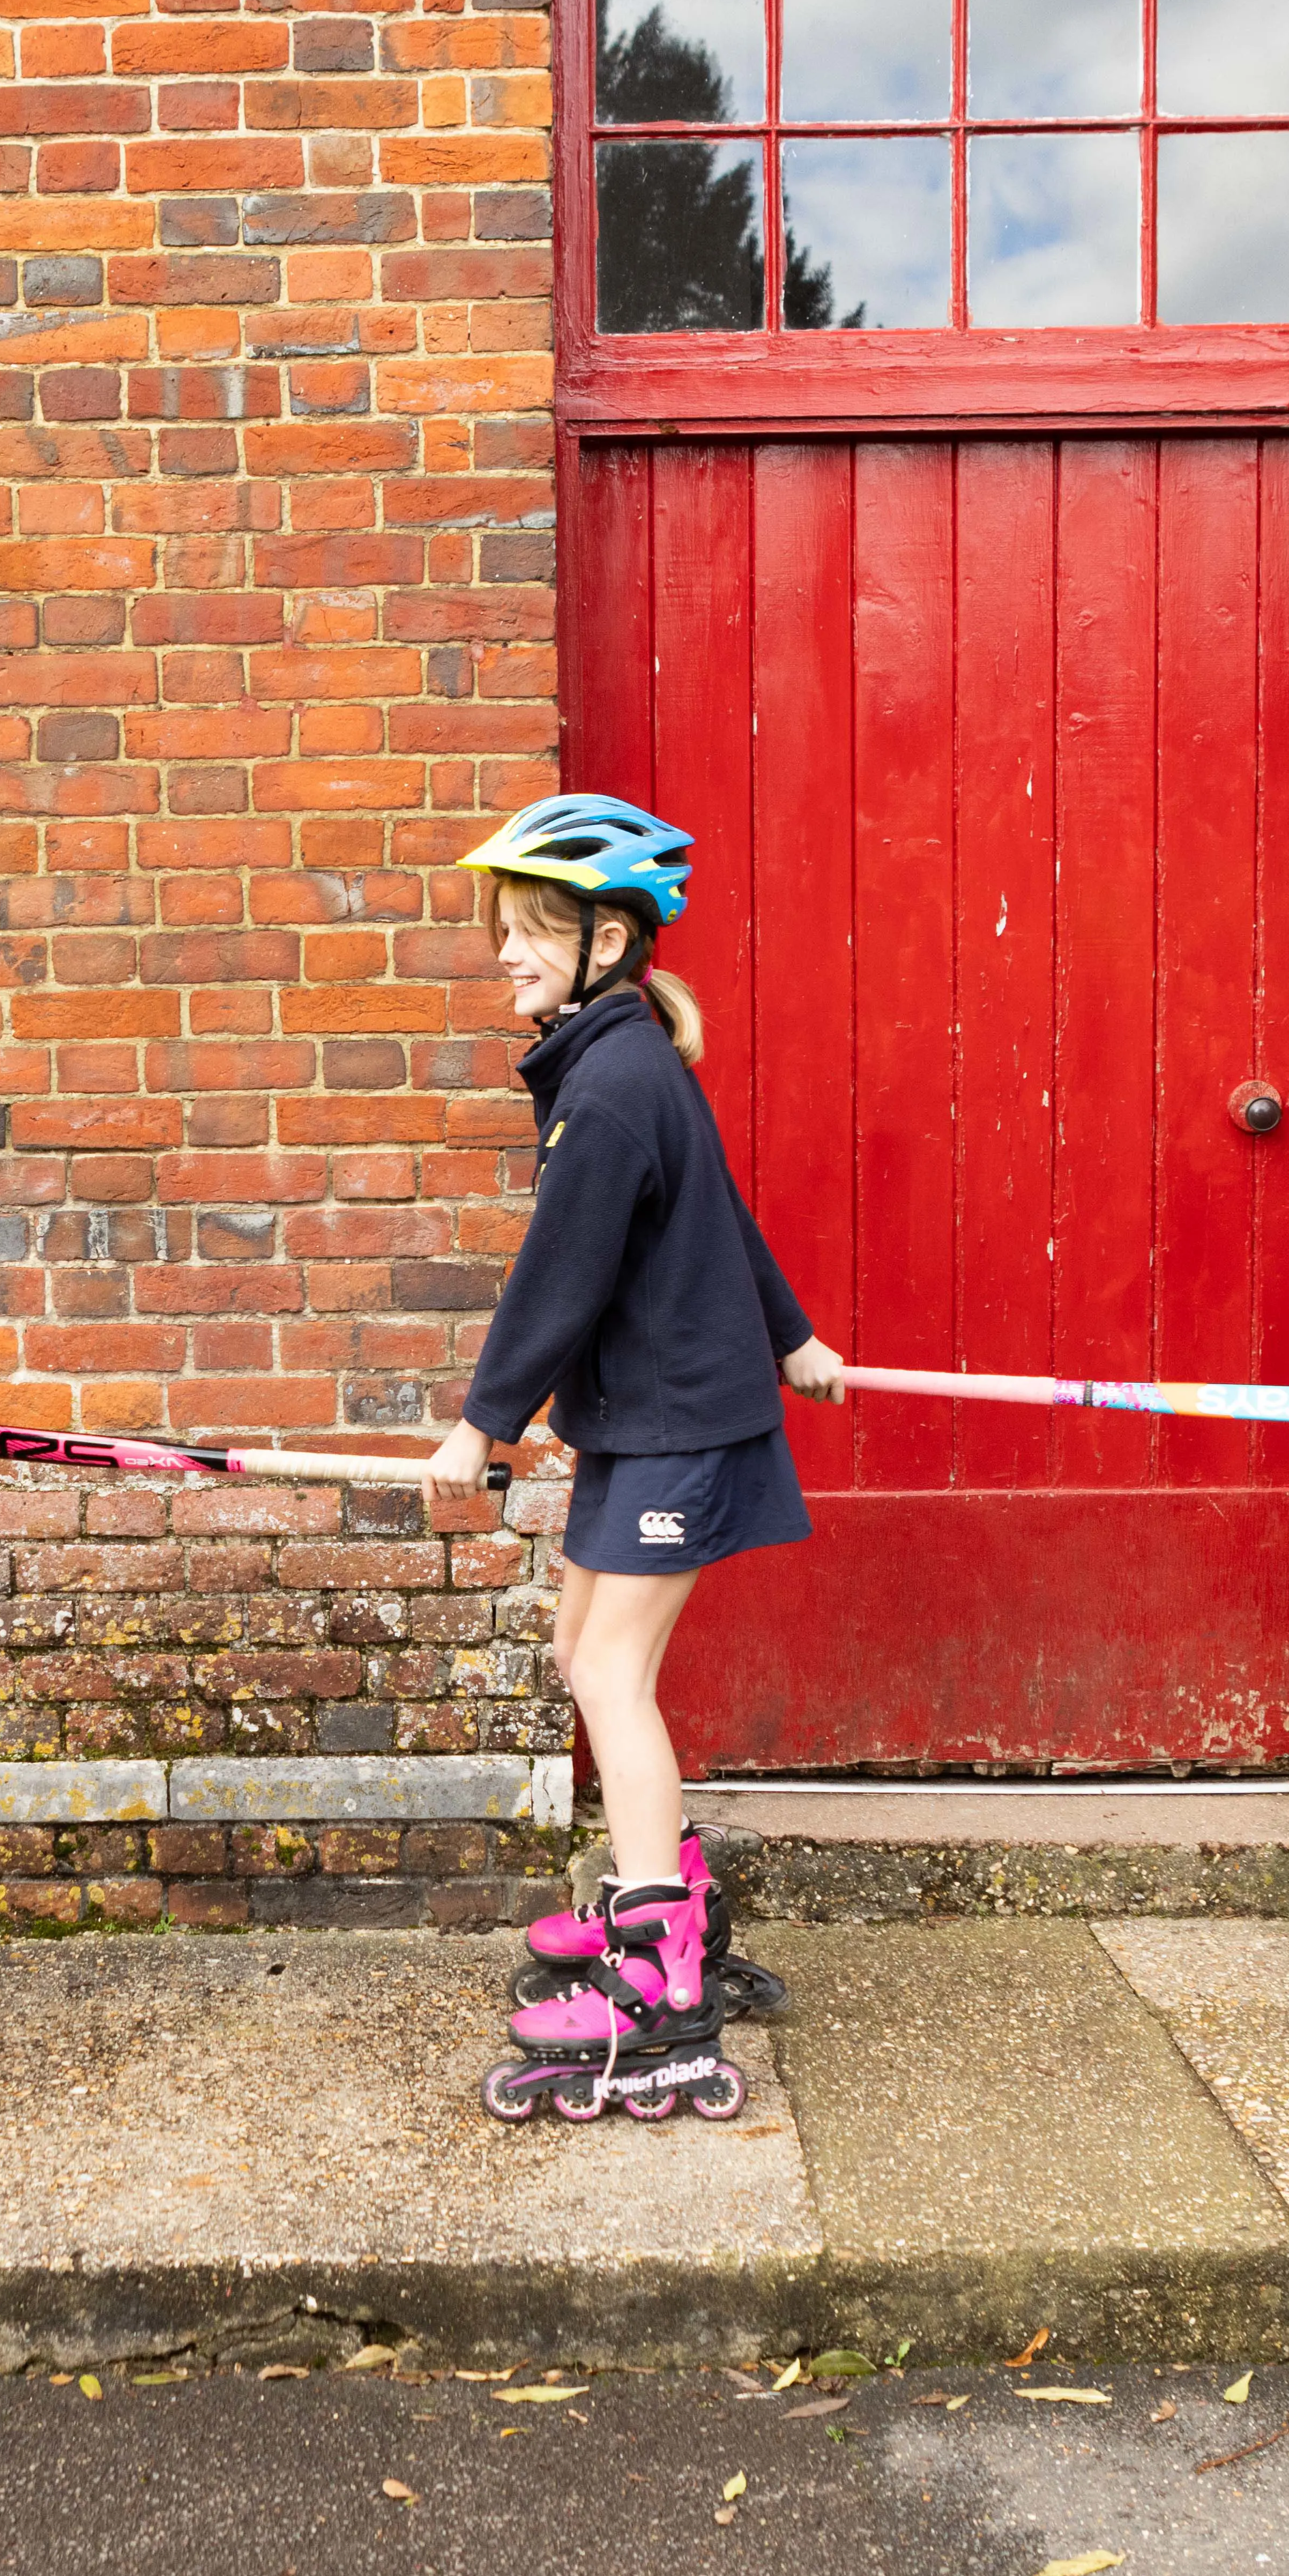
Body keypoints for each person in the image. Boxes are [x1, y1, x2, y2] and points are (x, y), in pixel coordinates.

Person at [422, 794, 841, 2126]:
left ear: (609, 937)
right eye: (503, 932)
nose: (504, 953)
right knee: (581, 1654)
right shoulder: (623, 1062)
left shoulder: (611, 1084)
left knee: (610, 1670)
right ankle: (662, 1896)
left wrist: (482, 1421)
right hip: (645, 1420)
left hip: (678, 1424)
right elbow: (716, 1211)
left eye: (530, 931)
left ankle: (659, 1977)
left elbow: (561, 1278)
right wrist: (796, 1335)